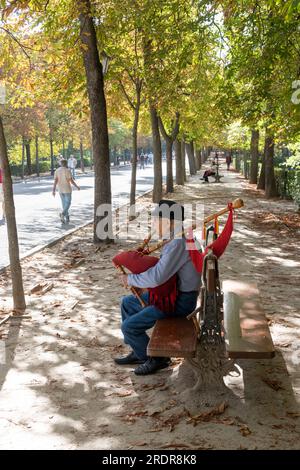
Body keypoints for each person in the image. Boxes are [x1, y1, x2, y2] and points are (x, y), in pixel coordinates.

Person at [114, 199, 201, 375]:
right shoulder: (178, 237)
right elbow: (164, 274)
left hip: (180, 302)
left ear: (168, 222)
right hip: (173, 294)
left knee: (128, 327)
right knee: (127, 303)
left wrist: (131, 279)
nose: (152, 223)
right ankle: (139, 351)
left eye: (155, 219)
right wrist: (141, 284)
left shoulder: (178, 242)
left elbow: (157, 277)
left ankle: (158, 359)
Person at [52, 159, 80, 224]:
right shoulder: (67, 171)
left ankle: (67, 217)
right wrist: (77, 186)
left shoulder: (57, 170)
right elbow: (71, 181)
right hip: (67, 189)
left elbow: (55, 181)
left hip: (60, 189)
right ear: (66, 164)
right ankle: (63, 214)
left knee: (64, 204)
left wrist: (53, 190)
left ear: (61, 164)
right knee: (68, 203)